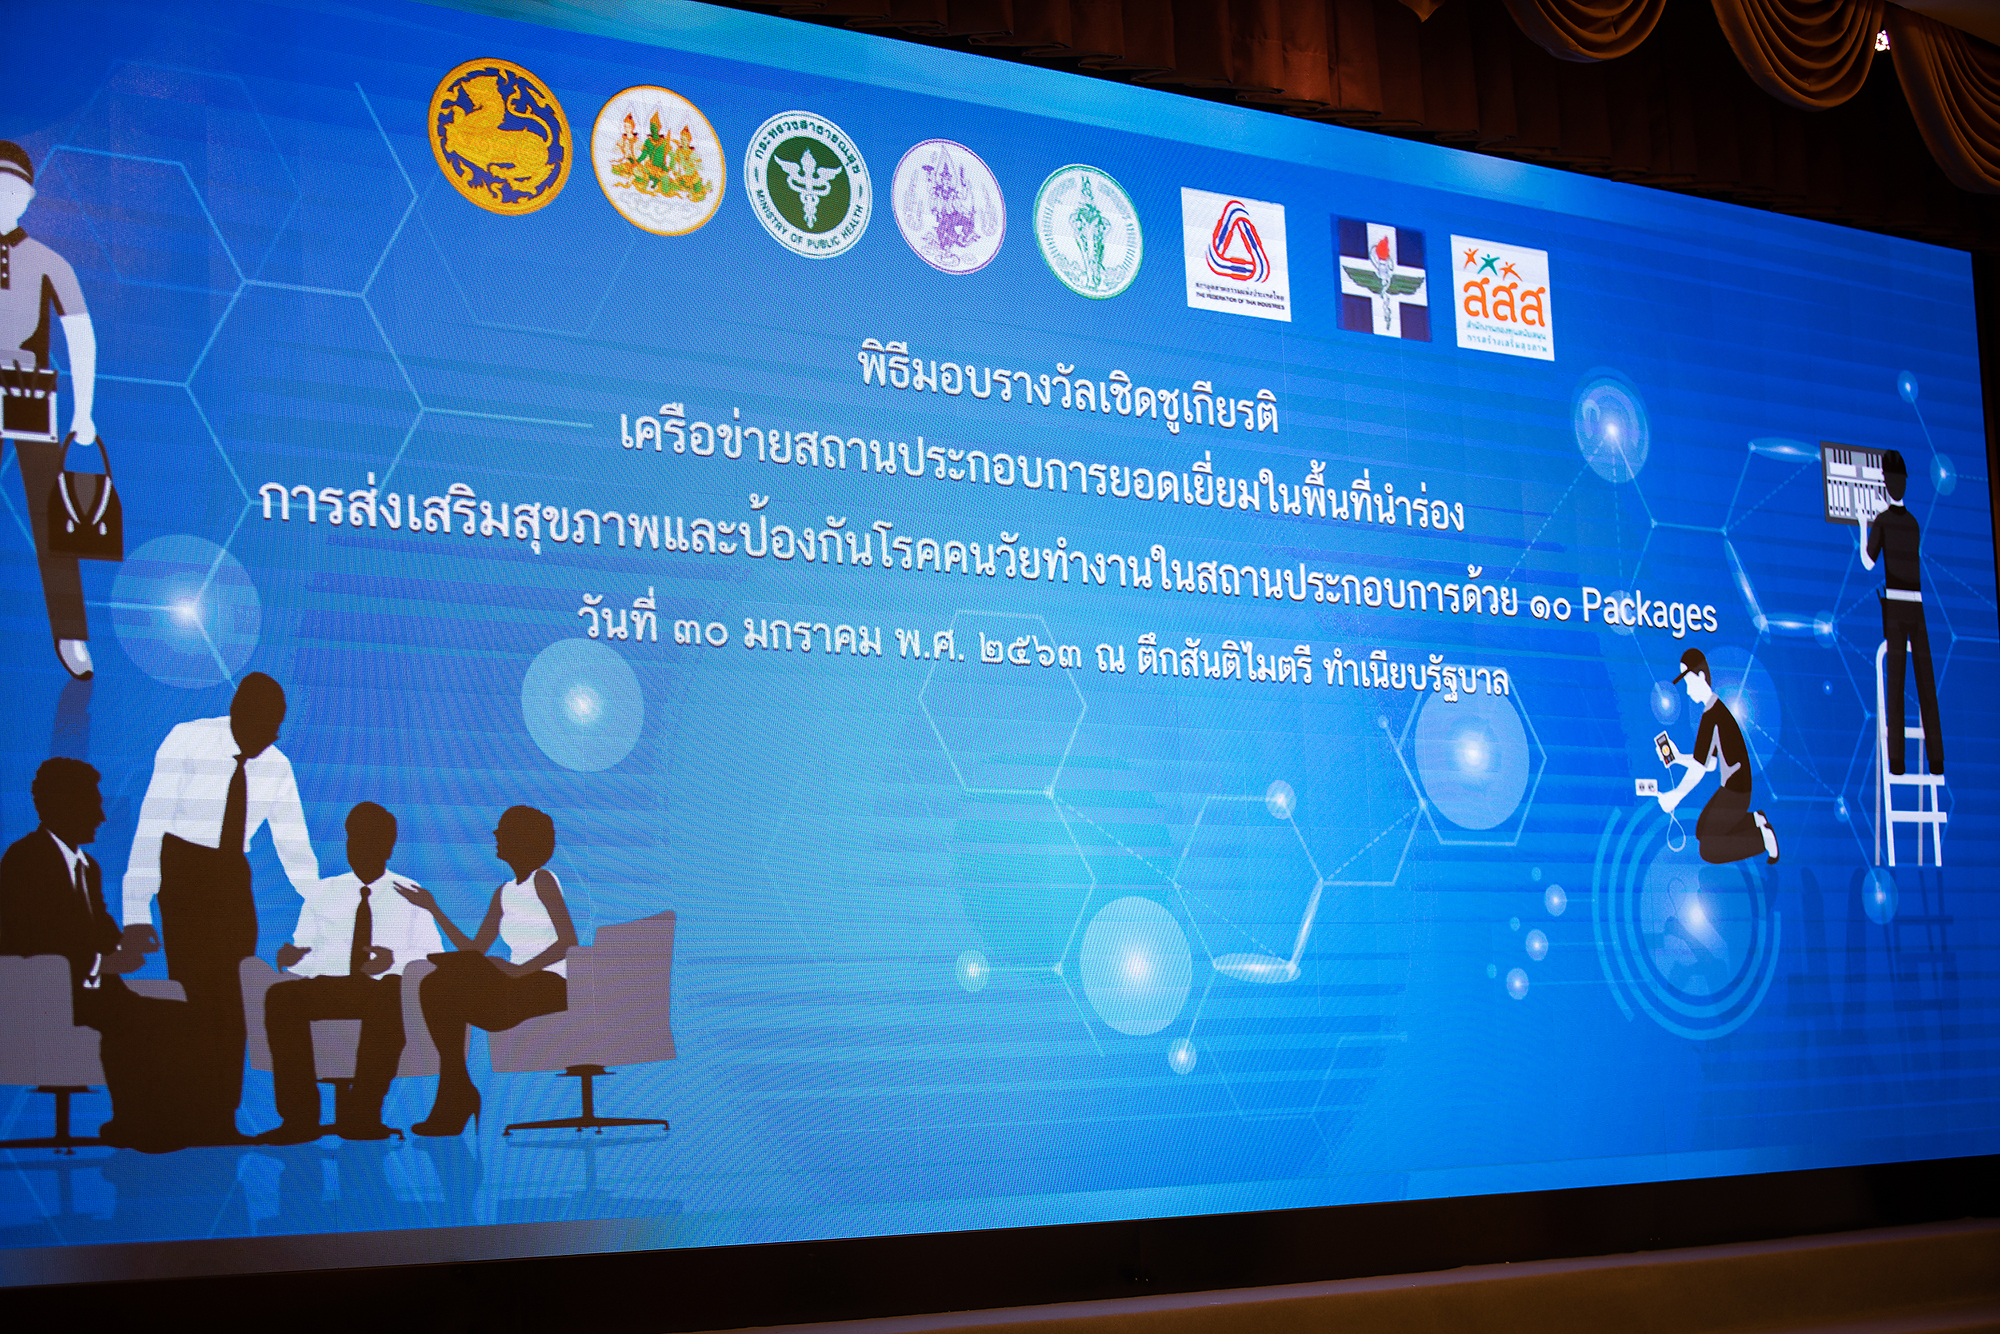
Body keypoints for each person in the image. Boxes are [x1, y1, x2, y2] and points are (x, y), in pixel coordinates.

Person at [121, 672, 320, 1145]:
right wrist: (135, 912)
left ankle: (222, 1118)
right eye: (263, 726)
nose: (269, 738)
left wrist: (325, 909)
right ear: (237, 714)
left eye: (275, 729)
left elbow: (295, 846)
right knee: (194, 998)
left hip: (233, 879)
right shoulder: (187, 740)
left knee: (233, 1003)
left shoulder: (277, 766)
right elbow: (152, 822)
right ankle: (188, 1114)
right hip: (184, 872)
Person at [0, 759, 182, 1149]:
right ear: (62, 805)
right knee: (132, 1020)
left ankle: (162, 1122)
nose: (101, 817)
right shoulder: (25, 859)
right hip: (48, 996)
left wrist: (129, 941)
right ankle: (132, 1124)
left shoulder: (88, 868)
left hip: (95, 994)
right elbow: (32, 940)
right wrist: (105, 963)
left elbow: (100, 929)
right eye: (92, 805)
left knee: (179, 1016)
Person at [261, 802, 442, 1144]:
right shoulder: (323, 892)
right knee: (281, 995)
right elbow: (307, 956)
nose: (359, 848)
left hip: (381, 989)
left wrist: (393, 960)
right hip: (333, 986)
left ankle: (364, 1114)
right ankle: (299, 1119)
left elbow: (432, 958)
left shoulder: (410, 893)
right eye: (354, 839)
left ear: (388, 846)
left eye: (370, 840)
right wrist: (294, 957)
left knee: (390, 993)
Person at [397, 806, 576, 1137]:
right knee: (436, 983)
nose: (495, 835)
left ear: (523, 838)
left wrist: (518, 972)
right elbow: (474, 949)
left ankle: (457, 1095)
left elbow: (568, 941)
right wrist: (433, 908)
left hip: (549, 984)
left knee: (445, 981)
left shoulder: (543, 880)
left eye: (503, 829)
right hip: (516, 984)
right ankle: (457, 1090)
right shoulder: (503, 892)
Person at [0, 141, 101, 680]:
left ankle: (70, 634)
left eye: (12, 188)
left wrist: (84, 412)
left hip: (29, 394)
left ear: (29, 197)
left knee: (51, 519)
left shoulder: (47, 261)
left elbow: (79, 333)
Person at [1859, 449, 1943, 775]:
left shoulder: (1881, 521)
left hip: (1895, 607)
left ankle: (1897, 761)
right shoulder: (1913, 523)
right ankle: (1936, 761)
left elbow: (1869, 562)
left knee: (1896, 683)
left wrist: (1862, 524)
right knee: (1926, 683)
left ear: (1885, 484)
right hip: (1917, 607)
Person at [1659, 648, 1780, 866]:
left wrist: (1676, 795)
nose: (1687, 690)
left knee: (1709, 849)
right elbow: (1710, 763)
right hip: (1733, 787)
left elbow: (1699, 769)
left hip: (1736, 792)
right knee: (1701, 830)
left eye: (1688, 682)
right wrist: (1678, 758)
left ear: (1701, 676)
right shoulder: (1714, 710)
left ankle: (1762, 838)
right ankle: (1755, 819)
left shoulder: (1712, 715)